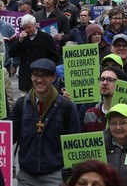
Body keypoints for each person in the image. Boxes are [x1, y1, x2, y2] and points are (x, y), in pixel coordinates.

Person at [11, 58, 80, 186]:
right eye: (36, 75)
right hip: (27, 175)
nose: (39, 80)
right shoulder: (20, 105)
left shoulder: (67, 106)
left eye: (45, 75)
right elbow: (10, 138)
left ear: (53, 78)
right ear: (31, 77)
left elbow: (74, 142)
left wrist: (69, 173)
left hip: (54, 175)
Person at [9, 14, 59, 94]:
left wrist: (47, 70)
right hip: (26, 79)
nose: (27, 30)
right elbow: (12, 53)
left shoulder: (46, 38)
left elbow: (55, 57)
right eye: (25, 28)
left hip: (42, 79)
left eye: (29, 27)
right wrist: (19, 41)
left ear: (35, 25)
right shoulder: (22, 39)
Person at [83, 67, 127, 132]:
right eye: (102, 79)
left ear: (120, 85)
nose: (104, 83)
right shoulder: (90, 114)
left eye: (110, 80)